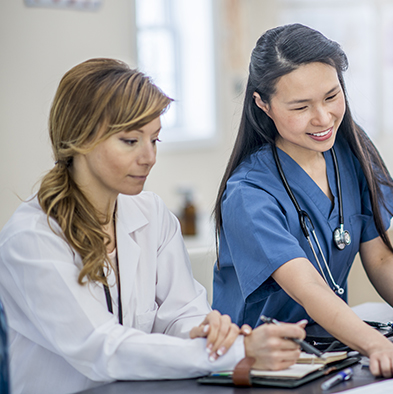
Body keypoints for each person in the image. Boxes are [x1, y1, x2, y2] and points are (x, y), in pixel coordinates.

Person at [0, 58, 306, 394]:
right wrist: (238, 352)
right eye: (131, 141)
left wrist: (207, 331)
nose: (149, 157)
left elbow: (181, 313)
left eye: (155, 140)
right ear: (80, 139)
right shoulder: (32, 238)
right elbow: (103, 348)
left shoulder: (151, 213)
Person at [212, 24, 393, 380]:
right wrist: (376, 345)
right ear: (263, 104)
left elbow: (380, 255)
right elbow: (309, 287)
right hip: (262, 365)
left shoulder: (349, 150)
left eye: (331, 96)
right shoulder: (249, 193)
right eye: (301, 106)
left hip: (329, 351)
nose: (323, 118)